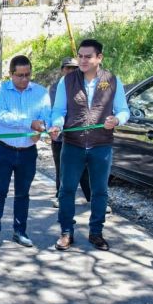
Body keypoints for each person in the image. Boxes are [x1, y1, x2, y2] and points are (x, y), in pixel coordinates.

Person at [50, 39, 130, 251]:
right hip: (73, 145)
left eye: (88, 56)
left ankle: (96, 232)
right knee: (66, 190)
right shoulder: (67, 81)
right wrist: (57, 124)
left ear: (99, 58)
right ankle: (66, 232)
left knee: (100, 191)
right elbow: (58, 110)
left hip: (101, 145)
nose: (83, 60)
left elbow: (124, 110)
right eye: (80, 56)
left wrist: (117, 120)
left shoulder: (112, 80)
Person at [0, 55, 52, 252]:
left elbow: (46, 116)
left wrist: (41, 129)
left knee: (23, 194)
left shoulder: (40, 92)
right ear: (11, 74)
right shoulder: (0, 90)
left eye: (27, 75)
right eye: (20, 75)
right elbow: (2, 116)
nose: (24, 79)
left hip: (27, 152)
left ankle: (20, 231)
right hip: (3, 150)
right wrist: (29, 123)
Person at [49, 57, 92, 209]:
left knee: (85, 169)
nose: (71, 71)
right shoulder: (56, 87)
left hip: (81, 137)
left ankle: (92, 198)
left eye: (74, 68)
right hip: (60, 136)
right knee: (62, 168)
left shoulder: (84, 85)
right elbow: (59, 109)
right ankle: (60, 197)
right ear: (62, 70)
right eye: (67, 68)